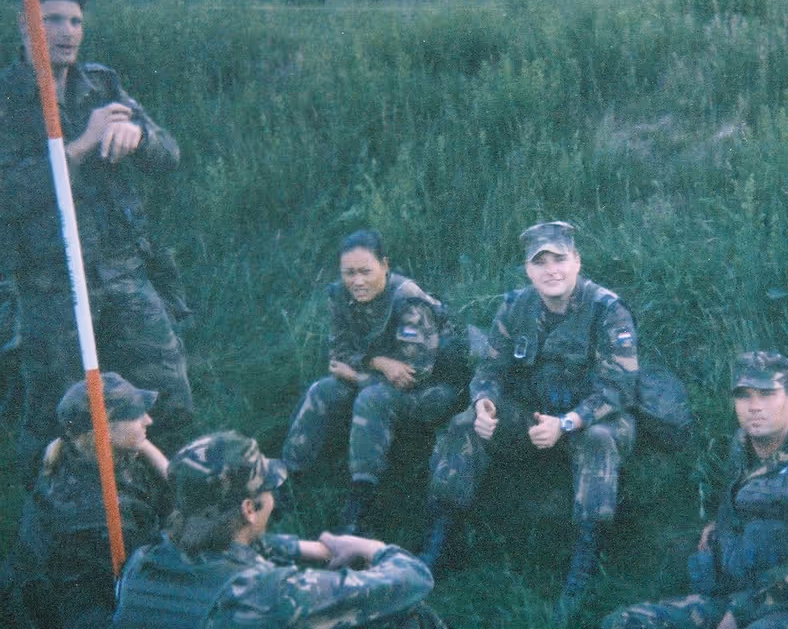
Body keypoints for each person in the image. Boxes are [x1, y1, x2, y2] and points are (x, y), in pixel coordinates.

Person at [0, 0, 193, 485]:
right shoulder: (7, 98)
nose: (65, 31)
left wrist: (137, 134)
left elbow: (168, 156)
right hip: (52, 284)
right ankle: (52, 525)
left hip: (123, 271)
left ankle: (164, 507)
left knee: (167, 397)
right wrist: (79, 147)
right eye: (51, 20)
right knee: (56, 415)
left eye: (75, 20)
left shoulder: (101, 83)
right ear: (24, 25)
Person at [422, 220, 639, 617]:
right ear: (528, 269)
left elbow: (618, 389)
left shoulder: (608, 310)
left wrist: (568, 422)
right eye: (540, 262)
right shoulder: (515, 306)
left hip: (590, 419)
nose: (551, 270)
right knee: (462, 426)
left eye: (559, 259)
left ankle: (584, 565)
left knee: (599, 442)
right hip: (532, 415)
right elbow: (489, 370)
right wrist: (484, 403)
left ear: (576, 261)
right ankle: (440, 541)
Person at [602, 351, 788, 629]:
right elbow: (750, 507)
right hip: (735, 598)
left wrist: (740, 613)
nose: (754, 406)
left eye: (766, 395)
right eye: (744, 396)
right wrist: (720, 527)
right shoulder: (743, 446)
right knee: (624, 623)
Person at [112, 430, 446, 629]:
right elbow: (413, 580)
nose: (272, 497)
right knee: (412, 616)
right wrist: (372, 547)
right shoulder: (265, 592)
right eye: (268, 488)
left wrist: (313, 549)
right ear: (248, 509)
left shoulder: (143, 562)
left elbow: (232, 552)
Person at [281, 228, 464, 533]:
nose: (357, 281)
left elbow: (415, 374)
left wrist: (359, 374)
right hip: (378, 377)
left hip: (435, 389)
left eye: (365, 271)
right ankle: (287, 482)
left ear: (385, 265)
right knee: (322, 390)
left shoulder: (409, 300)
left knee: (372, 399)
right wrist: (374, 363)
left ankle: (360, 501)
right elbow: (338, 354)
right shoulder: (340, 295)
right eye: (349, 273)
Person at [1, 372, 170, 629]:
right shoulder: (105, 512)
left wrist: (144, 445)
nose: (148, 419)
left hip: (37, 594)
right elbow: (156, 569)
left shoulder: (70, 453)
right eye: (136, 415)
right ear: (105, 430)